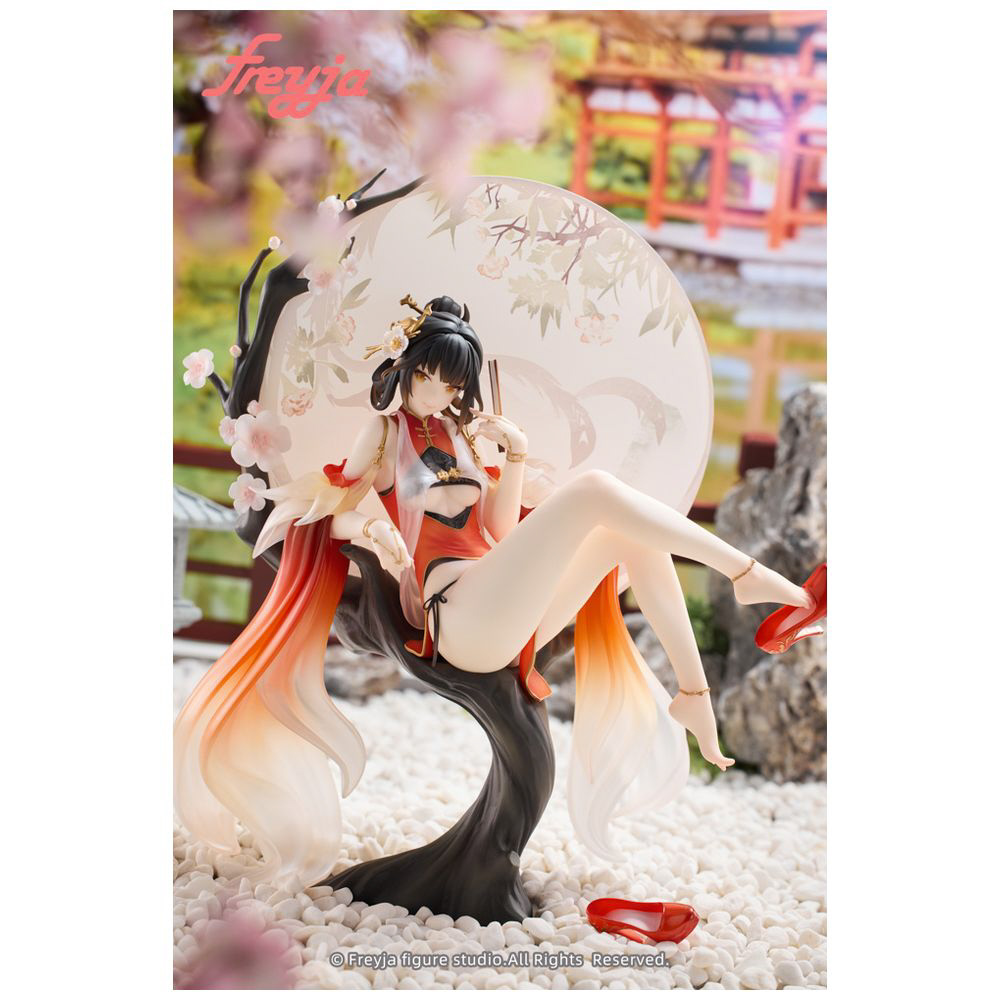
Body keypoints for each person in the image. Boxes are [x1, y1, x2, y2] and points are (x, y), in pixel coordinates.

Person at [174, 292, 817, 889]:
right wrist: (374, 533)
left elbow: (499, 533)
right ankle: (746, 575)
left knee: (630, 537)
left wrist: (514, 458)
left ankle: (693, 696)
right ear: (405, 368)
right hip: (457, 615)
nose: (440, 393)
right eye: (430, 378)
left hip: (502, 606)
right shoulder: (386, 432)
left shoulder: (459, 435)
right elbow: (331, 509)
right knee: (595, 492)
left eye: (453, 385)